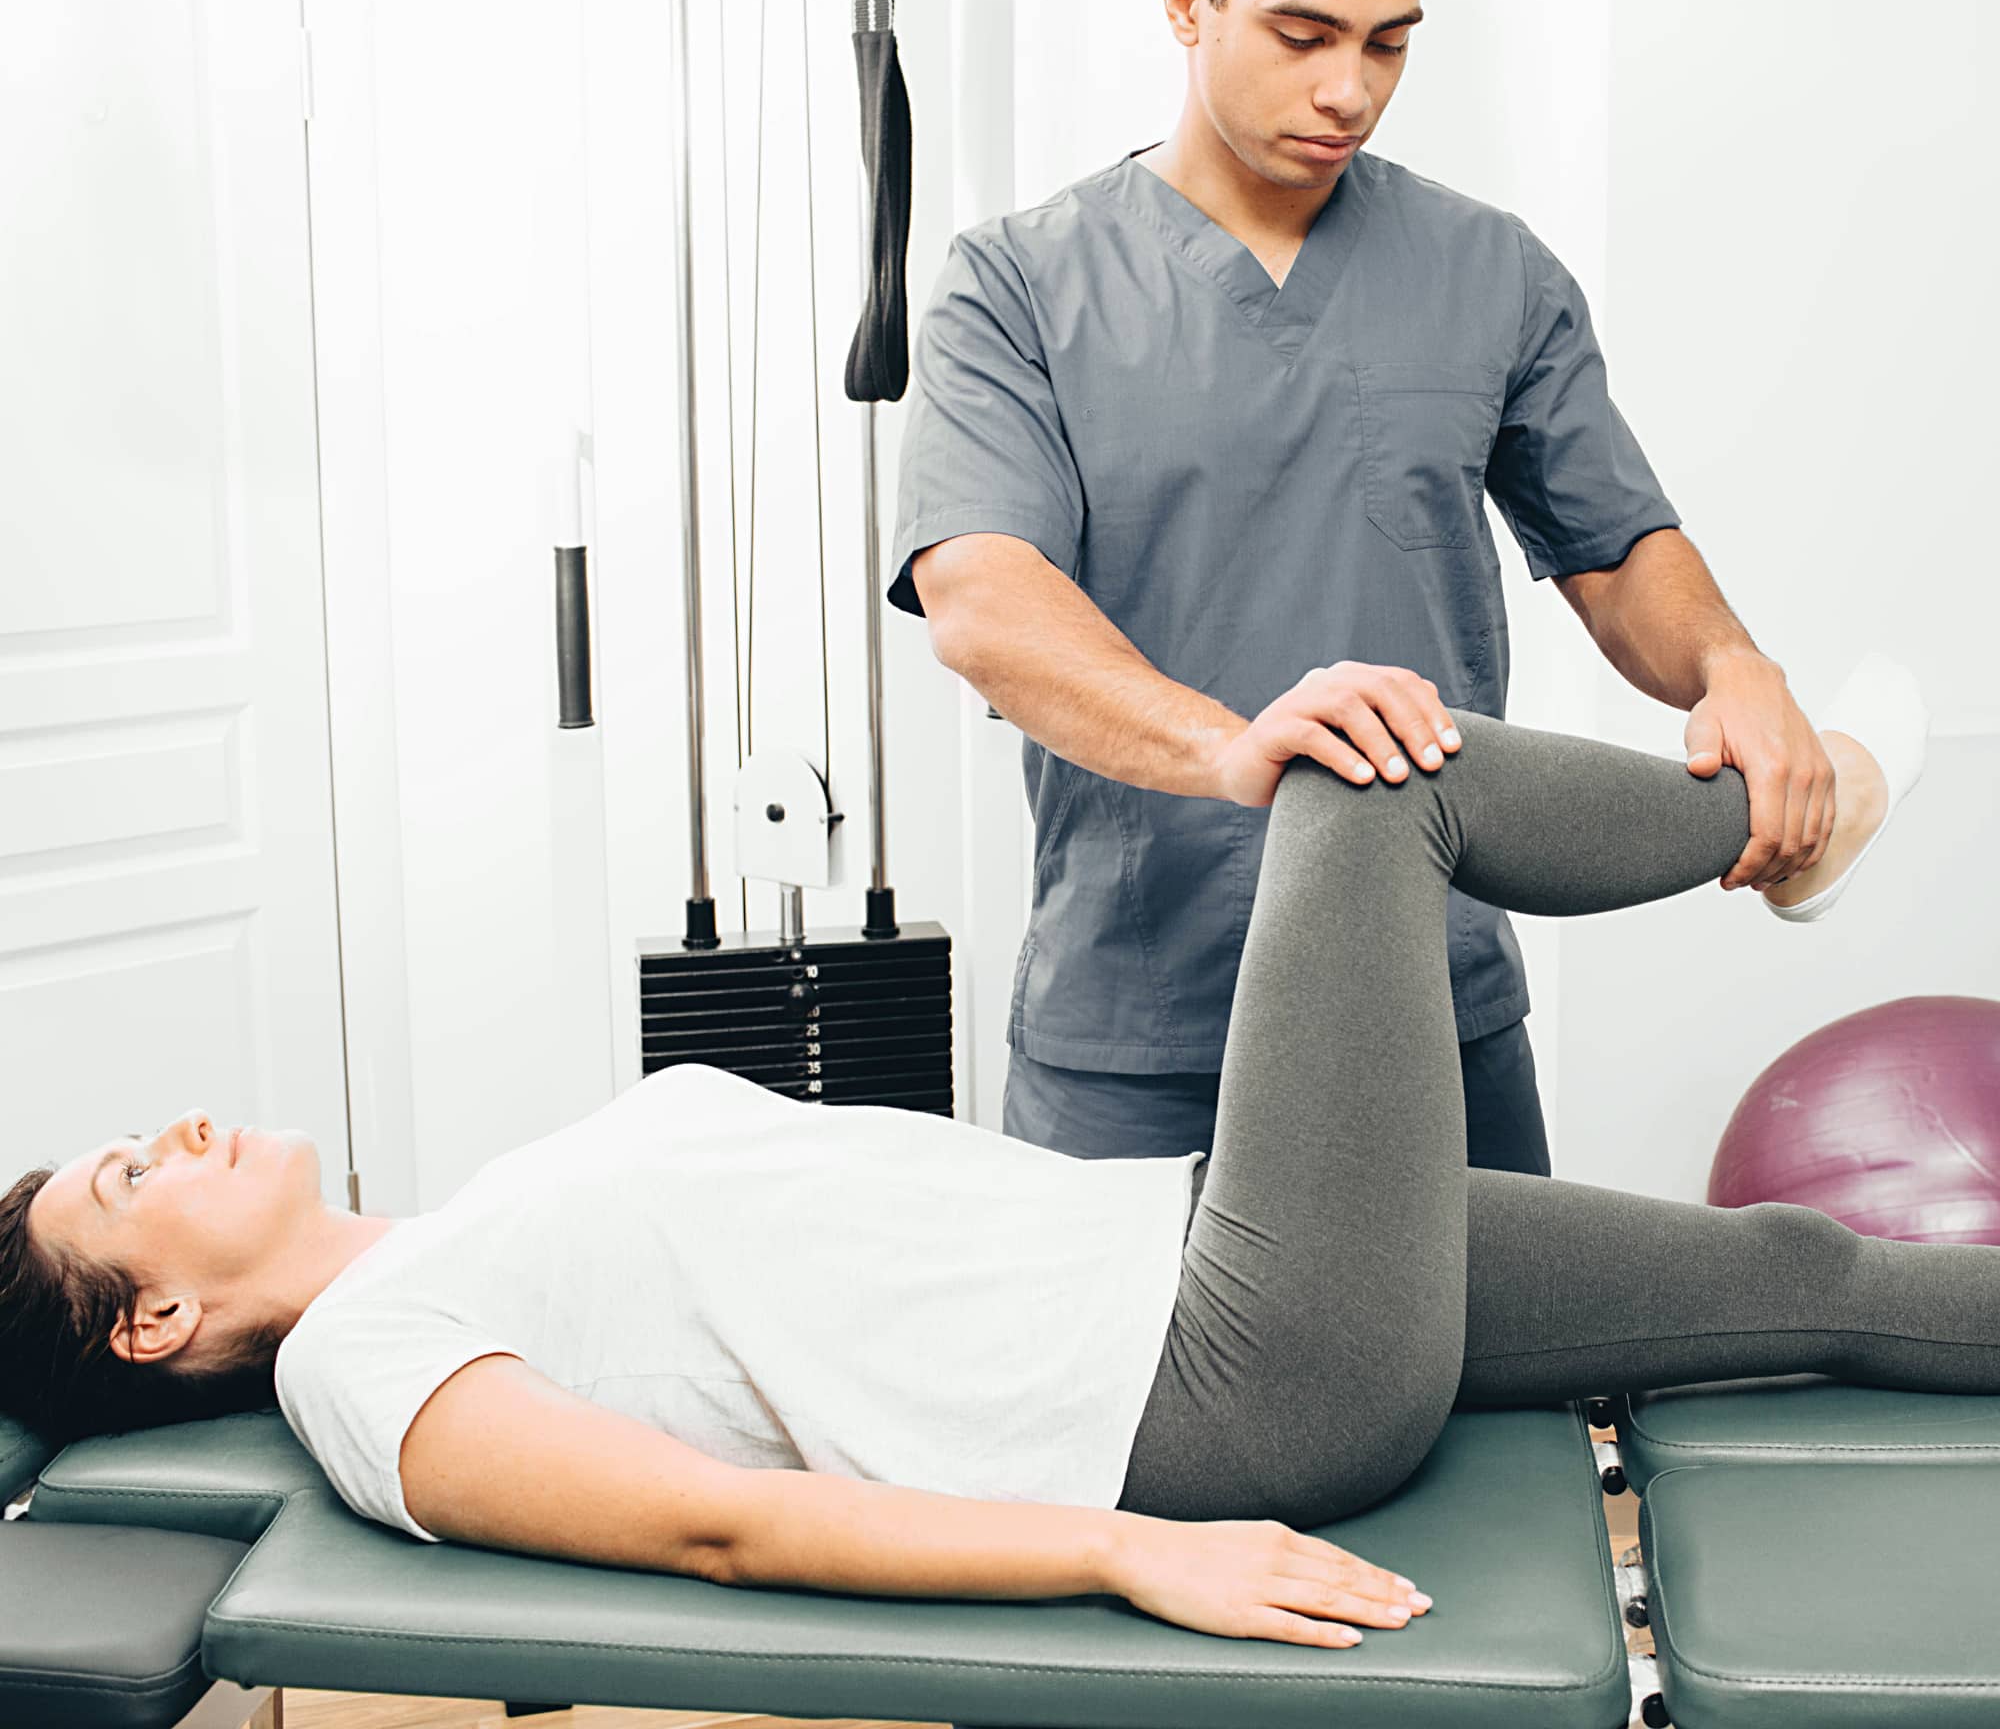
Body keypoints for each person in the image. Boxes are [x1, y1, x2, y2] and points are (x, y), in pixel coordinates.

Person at [0, 654, 1964, 1657]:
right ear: (153, 1319)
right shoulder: (366, 1368)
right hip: (1219, 1370)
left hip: (1210, 1252)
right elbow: (715, 1524)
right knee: (1369, 783)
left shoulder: (455, 1227)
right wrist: (1125, 1548)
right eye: (125, 1180)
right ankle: (1802, 817)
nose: (170, 1133)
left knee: (1805, 1274)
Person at [887, 0, 1848, 1191]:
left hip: (1433, 1010)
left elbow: (1615, 547)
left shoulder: (1491, 273)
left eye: (1389, 42)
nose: (1350, 89)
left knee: (1502, 1349)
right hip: (1142, 1031)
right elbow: (982, 600)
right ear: (1186, 0)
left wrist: (1732, 663)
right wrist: (1232, 752)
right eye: (1304, 35)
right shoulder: (1018, 285)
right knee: (1129, 1351)